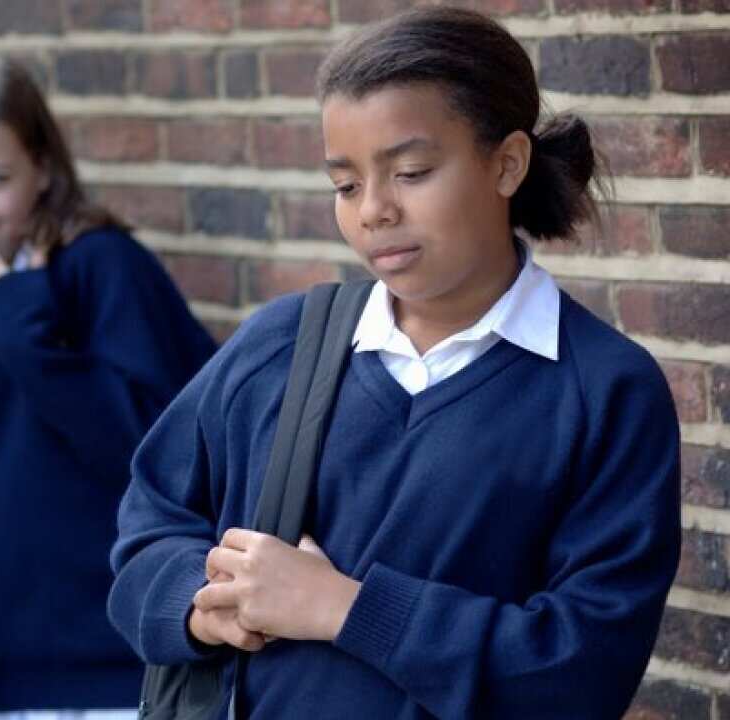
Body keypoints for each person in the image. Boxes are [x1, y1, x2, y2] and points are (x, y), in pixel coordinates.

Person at [108, 8, 682, 718]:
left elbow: (584, 670)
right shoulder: (281, 346)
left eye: (410, 172)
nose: (373, 211)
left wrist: (345, 608)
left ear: (506, 164)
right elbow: (148, 529)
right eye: (346, 186)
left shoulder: (604, 391)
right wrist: (202, 604)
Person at [0, 54, 219, 717]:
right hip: (19, 673)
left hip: (131, 667)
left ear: (43, 169)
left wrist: (16, 319)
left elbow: (152, 447)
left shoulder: (103, 267)